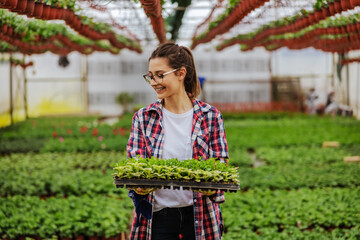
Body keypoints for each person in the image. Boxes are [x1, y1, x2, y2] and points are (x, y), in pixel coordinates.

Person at [127, 42, 229, 240]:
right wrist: (137, 185)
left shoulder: (210, 116)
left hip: (199, 214)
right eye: (150, 76)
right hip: (159, 216)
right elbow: (135, 163)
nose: (153, 82)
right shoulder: (143, 117)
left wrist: (210, 185)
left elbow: (221, 163)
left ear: (181, 73)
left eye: (160, 74)